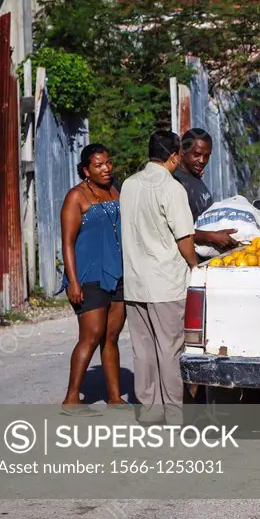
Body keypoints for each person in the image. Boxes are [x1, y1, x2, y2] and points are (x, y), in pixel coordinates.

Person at [120, 131, 199, 422]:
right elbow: (184, 238)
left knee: (143, 350)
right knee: (170, 349)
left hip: (135, 282)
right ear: (174, 155)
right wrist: (195, 265)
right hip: (166, 283)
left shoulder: (128, 185)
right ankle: (175, 415)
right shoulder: (172, 188)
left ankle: (149, 411)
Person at [59, 144, 130, 416]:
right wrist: (73, 281)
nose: (106, 169)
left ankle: (114, 397)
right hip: (89, 276)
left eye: (109, 163)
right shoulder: (76, 197)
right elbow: (67, 242)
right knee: (90, 337)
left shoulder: (115, 190)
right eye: (99, 165)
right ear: (86, 170)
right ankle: (71, 398)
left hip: (118, 273)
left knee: (111, 336)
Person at [175, 129, 238, 250]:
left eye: (206, 156)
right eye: (197, 154)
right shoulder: (176, 182)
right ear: (182, 151)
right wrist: (211, 237)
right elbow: (176, 231)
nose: (202, 161)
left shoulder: (194, 176)